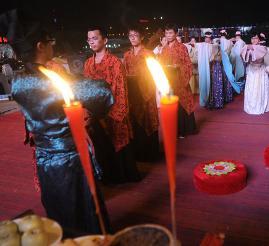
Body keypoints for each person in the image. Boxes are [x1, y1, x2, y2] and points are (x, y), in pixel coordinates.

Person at [11, 27, 111, 235]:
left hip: (44, 158)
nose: (53, 44)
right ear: (40, 46)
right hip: (69, 157)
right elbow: (102, 93)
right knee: (83, 209)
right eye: (50, 40)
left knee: (58, 208)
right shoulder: (50, 80)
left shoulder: (18, 81)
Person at [84, 26, 141, 183]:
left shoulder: (115, 63)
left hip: (113, 111)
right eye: (89, 39)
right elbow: (87, 90)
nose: (91, 42)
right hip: (95, 114)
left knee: (119, 140)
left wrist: (115, 113)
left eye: (95, 38)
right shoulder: (88, 64)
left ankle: (123, 175)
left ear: (105, 40)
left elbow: (121, 90)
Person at [123, 25, 159, 162]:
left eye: (135, 35)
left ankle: (151, 154)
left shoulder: (149, 54)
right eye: (130, 35)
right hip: (132, 92)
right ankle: (138, 153)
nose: (132, 38)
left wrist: (147, 87)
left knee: (148, 120)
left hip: (146, 90)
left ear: (142, 37)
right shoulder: (126, 55)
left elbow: (154, 73)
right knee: (134, 121)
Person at [160, 23, 197, 138]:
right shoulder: (164, 49)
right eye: (166, 33)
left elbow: (187, 65)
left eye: (171, 33)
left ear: (176, 34)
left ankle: (183, 130)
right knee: (171, 106)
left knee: (182, 105)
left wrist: (179, 70)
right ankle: (173, 131)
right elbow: (161, 64)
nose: (168, 35)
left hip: (180, 80)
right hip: (168, 81)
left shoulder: (182, 47)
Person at [241, 32, 269, 115]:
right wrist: (247, 48)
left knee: (259, 88)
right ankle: (250, 106)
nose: (253, 40)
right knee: (251, 88)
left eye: (255, 38)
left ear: (259, 39)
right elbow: (242, 54)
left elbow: (259, 54)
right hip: (251, 70)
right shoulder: (248, 47)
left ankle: (260, 106)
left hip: (260, 71)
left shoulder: (262, 48)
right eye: (252, 38)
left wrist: (249, 47)